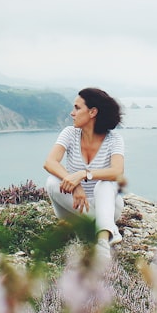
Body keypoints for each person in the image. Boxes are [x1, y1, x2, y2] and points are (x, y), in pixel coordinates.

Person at [43, 87, 125, 260]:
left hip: (107, 207)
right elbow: (50, 162)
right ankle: (108, 228)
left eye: (77, 108)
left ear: (93, 112)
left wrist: (83, 174)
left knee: (106, 183)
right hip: (73, 208)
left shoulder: (114, 139)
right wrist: (75, 187)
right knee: (52, 181)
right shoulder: (69, 133)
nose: (72, 113)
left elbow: (117, 172)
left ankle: (103, 244)